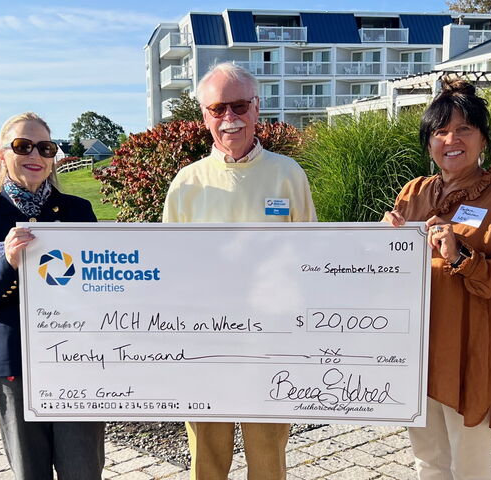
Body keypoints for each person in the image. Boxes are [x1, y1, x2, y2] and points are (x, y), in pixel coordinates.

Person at [163, 62, 318, 480]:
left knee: (268, 458)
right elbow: (168, 270)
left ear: (256, 107)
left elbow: (311, 257)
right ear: (204, 116)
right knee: (206, 460)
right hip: (203, 344)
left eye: (239, 106)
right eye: (217, 108)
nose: (229, 117)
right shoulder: (186, 183)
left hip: (271, 343)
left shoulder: (288, 174)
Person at [383, 79, 491, 480]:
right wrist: (382, 243)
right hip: (417, 354)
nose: (451, 140)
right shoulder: (413, 194)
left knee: (470, 467)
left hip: (471, 356)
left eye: (463, 129)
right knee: (428, 462)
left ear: (482, 139)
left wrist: (463, 257)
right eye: (440, 131)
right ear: (429, 143)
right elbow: (389, 275)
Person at [0, 112, 105, 480]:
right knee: (30, 473)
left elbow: (100, 283)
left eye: (45, 147)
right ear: (2, 154)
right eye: (23, 146)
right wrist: (7, 262)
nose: (36, 155)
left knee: (83, 470)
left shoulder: (78, 210)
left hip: (77, 359)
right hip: (14, 364)